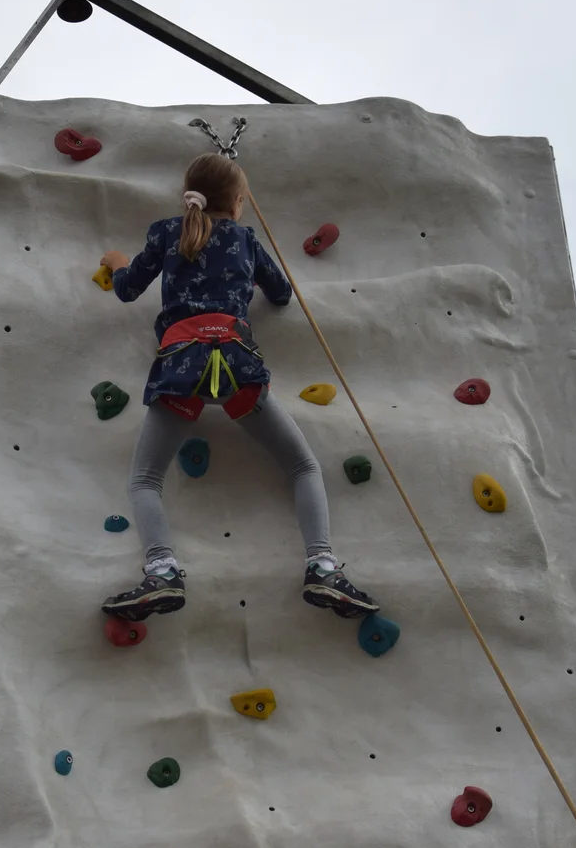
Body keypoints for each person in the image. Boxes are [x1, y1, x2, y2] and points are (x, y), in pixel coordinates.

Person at [97, 153, 378, 622]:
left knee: (146, 479)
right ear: (239, 202)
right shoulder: (245, 239)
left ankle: (163, 571)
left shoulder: (166, 232)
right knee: (302, 466)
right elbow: (282, 294)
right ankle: (323, 565)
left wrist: (117, 263)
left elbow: (127, 289)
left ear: (189, 193)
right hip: (235, 365)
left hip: (179, 366)